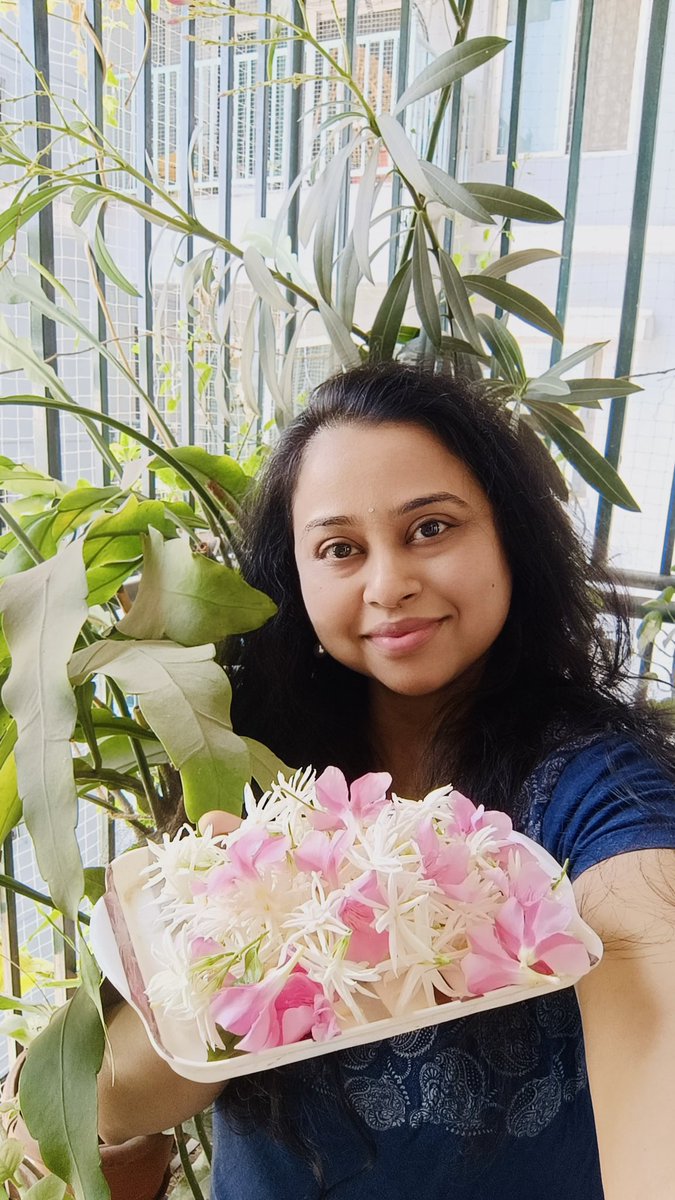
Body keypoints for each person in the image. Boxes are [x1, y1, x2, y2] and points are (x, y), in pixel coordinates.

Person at [98, 362, 675, 1199]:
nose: (387, 584)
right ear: (293, 577)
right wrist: (228, 946)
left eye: (430, 528)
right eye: (339, 549)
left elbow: (649, 997)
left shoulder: (595, 790)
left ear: (509, 535)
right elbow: (128, 1104)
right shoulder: (247, 767)